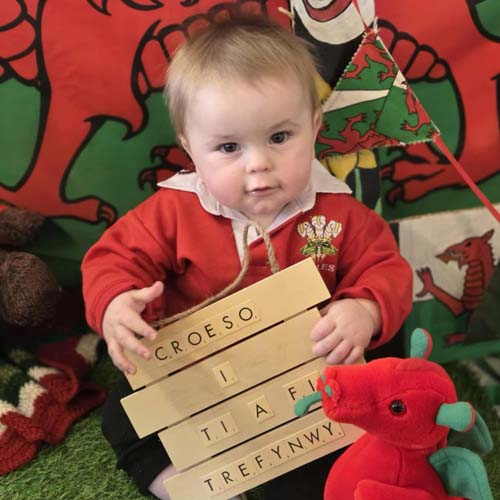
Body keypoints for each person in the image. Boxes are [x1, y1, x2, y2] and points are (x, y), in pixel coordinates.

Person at [81, 14, 413, 500]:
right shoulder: (173, 211)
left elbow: (387, 269)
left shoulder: (340, 213)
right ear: (191, 148)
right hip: (204, 375)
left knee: (360, 403)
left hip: (305, 381)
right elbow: (112, 260)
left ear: (314, 126)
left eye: (279, 138)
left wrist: (363, 309)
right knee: (124, 415)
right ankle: (187, 486)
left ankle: (310, 481)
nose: (258, 164)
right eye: (229, 147)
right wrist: (116, 304)